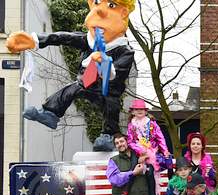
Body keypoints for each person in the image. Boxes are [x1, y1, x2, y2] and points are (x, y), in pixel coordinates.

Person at [6, 0, 136, 151]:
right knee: (70, 90)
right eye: (96, 3)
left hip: (108, 89)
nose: (99, 11)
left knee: (111, 105)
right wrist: (36, 41)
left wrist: (105, 65)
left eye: (111, 5)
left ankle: (108, 135)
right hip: (86, 81)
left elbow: (118, 73)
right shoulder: (89, 40)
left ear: (123, 13)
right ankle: (51, 113)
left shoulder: (124, 50)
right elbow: (63, 37)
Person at [126, 99, 170, 195]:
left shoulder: (152, 125)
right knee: (132, 170)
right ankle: (125, 194)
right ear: (133, 112)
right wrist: (140, 151)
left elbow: (160, 138)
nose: (139, 111)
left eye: (142, 109)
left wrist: (164, 151)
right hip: (137, 153)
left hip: (151, 153)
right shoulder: (131, 126)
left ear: (146, 111)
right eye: (137, 109)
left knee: (150, 173)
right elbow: (130, 141)